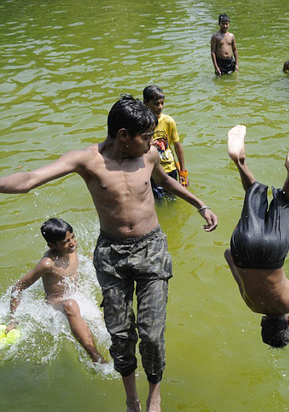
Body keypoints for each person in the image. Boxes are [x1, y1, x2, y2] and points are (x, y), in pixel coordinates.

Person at [0, 94, 218, 412]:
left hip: (152, 248)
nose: (152, 143)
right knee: (120, 332)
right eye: (146, 137)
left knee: (152, 333)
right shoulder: (88, 160)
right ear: (123, 136)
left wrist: (201, 204)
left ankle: (154, 395)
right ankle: (131, 398)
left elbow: (166, 183)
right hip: (112, 254)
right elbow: (30, 179)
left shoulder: (150, 156)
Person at [224, 125, 289, 348]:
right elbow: (227, 255)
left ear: (288, 323)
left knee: (288, 200)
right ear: (262, 323)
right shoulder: (250, 304)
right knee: (251, 190)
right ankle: (238, 160)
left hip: (273, 250)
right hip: (243, 246)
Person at [6, 218, 106, 363]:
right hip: (57, 303)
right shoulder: (48, 264)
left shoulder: (71, 249)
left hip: (76, 294)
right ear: (52, 245)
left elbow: (79, 261)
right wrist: (13, 320)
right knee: (71, 305)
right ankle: (96, 357)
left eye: (73, 237)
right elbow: (18, 287)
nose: (72, 243)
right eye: (66, 241)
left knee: (102, 324)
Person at [143, 85, 189, 201]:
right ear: (146, 103)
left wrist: (183, 173)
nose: (160, 107)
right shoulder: (142, 123)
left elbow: (177, 147)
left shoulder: (168, 121)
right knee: (157, 202)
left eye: (162, 103)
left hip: (170, 169)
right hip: (152, 171)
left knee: (173, 201)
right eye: (156, 103)